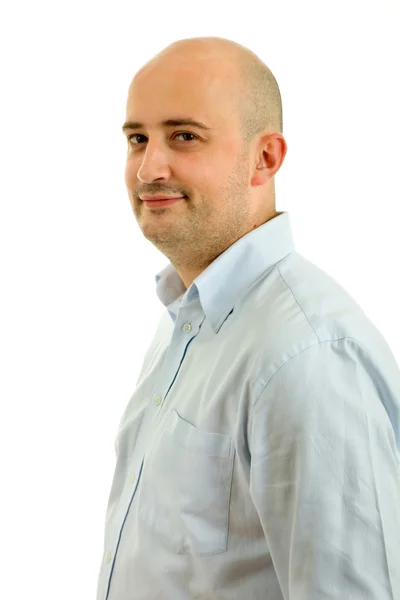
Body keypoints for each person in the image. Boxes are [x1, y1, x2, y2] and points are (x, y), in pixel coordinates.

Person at [96, 36, 400, 600]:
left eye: (183, 136)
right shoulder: (186, 322)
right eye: (138, 139)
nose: (148, 168)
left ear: (266, 158)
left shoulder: (306, 354)